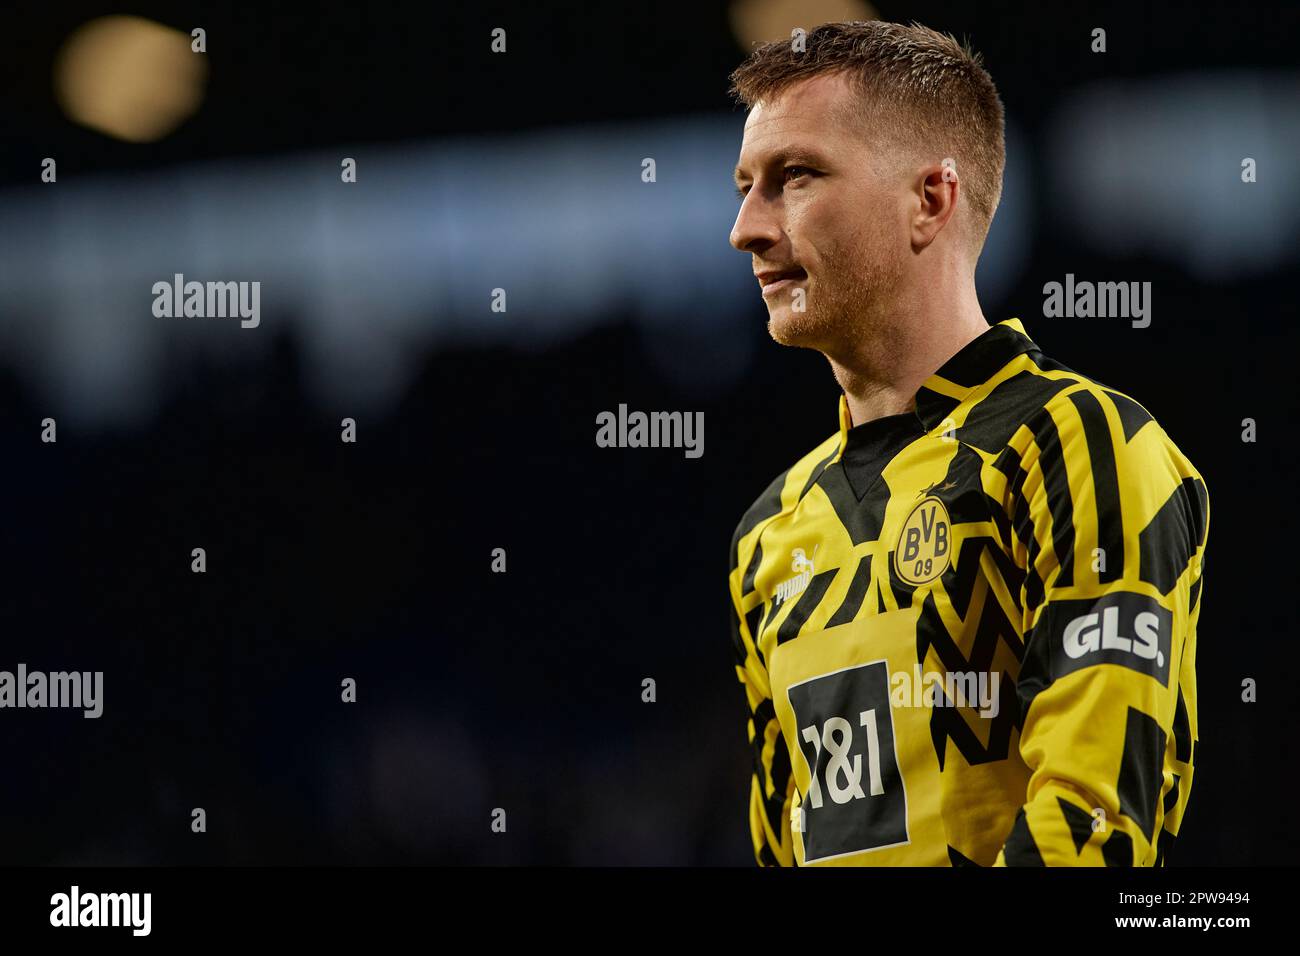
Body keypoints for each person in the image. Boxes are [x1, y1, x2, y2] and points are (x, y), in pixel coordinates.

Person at [726, 20, 1207, 866]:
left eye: (794, 177)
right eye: (744, 186)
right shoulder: (767, 535)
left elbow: (1093, 829)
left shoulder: (1080, 445)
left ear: (931, 201)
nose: (747, 228)